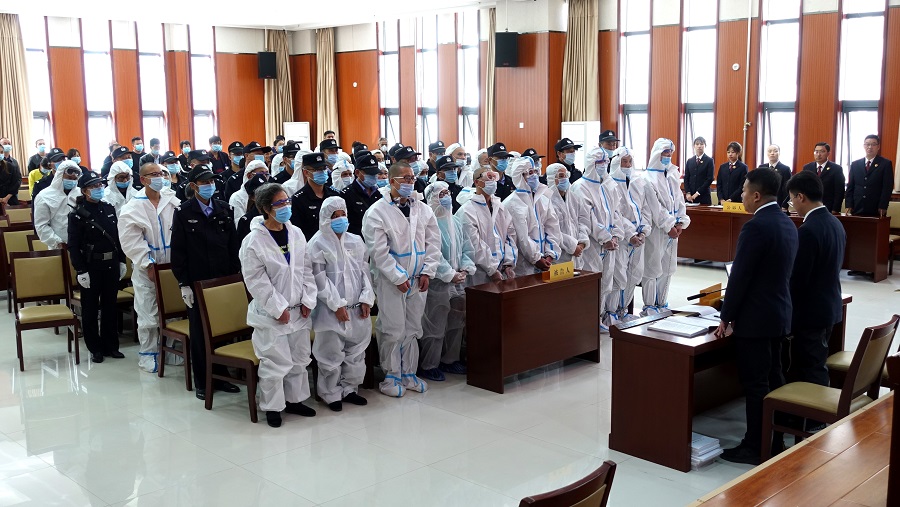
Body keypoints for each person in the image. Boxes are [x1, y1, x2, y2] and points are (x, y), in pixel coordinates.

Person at [716, 168, 798, 465]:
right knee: (774, 377)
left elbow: (740, 277)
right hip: (778, 313)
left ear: (756, 195)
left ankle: (755, 446)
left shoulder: (755, 227)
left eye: (744, 191)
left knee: (756, 384)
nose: (741, 196)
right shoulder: (787, 222)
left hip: (756, 318)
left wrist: (726, 316)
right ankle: (774, 438)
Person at [240, 183, 318, 428]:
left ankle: (295, 400)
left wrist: (308, 299)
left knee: (299, 359)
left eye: (287, 201)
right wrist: (277, 308)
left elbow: (306, 269)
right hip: (271, 314)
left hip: (299, 310)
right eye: (280, 203)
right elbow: (256, 281)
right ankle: (273, 407)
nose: (286, 207)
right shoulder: (253, 241)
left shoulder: (296, 233)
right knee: (275, 362)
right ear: (266, 208)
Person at [362, 161, 442, 397]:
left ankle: (409, 373)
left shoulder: (422, 209)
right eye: (405, 178)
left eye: (412, 178)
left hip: (418, 279)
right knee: (393, 328)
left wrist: (428, 271)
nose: (410, 182)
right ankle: (391, 375)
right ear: (392, 181)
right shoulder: (377, 212)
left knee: (413, 328)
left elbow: (433, 242)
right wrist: (397, 277)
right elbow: (378, 251)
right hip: (391, 281)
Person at [171, 165, 243, 400]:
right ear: (193, 186)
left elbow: (233, 246)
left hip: (222, 279)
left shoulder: (224, 209)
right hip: (197, 281)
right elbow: (178, 252)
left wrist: (233, 278)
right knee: (201, 333)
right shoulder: (183, 212)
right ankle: (203, 380)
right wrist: (183, 283)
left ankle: (221, 376)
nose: (209, 185)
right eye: (204, 182)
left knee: (223, 329)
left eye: (211, 181)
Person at [307, 197, 374, 411]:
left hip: (357, 307)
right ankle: (331, 393)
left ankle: (350, 389)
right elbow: (319, 279)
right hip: (329, 309)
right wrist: (336, 305)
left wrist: (366, 298)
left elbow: (365, 272)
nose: (340, 219)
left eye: (343, 214)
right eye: (334, 216)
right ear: (325, 218)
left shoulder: (355, 241)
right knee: (330, 352)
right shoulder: (317, 244)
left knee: (356, 351)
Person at [118, 163, 181, 373]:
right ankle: (148, 354)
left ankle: (169, 350)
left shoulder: (172, 201)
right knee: (148, 312)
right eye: (154, 174)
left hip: (172, 264)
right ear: (143, 179)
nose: (159, 177)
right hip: (148, 269)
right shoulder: (133, 207)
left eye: (161, 173)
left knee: (173, 309)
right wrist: (148, 263)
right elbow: (131, 241)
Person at [787, 171, 845, 388]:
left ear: (801, 197)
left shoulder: (808, 230)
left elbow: (799, 278)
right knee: (816, 361)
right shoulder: (835, 222)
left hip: (811, 313)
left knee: (812, 367)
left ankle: (817, 411)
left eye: (791, 199)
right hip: (829, 305)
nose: (792, 205)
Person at [417, 182, 475, 382]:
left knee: (456, 321)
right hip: (437, 282)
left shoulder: (456, 221)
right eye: (441, 194)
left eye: (447, 192)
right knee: (435, 324)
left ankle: (450, 359)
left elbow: (467, 247)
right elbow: (432, 253)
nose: (447, 197)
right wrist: (449, 274)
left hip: (458, 280)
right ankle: (429, 364)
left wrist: (465, 268)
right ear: (432, 198)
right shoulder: (428, 223)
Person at [67, 171, 127, 363]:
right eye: (93, 186)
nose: (98, 189)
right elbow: (73, 245)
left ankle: (111, 346)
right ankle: (95, 348)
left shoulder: (108, 208)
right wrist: (80, 270)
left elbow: (117, 238)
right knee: (90, 308)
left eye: (100, 185)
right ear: (84, 191)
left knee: (110, 306)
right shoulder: (77, 215)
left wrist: (122, 261)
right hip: (91, 266)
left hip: (111, 264)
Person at [571, 148, 625, 331]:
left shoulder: (606, 186)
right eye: (600, 163)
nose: (604, 166)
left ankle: (599, 317)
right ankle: (587, 321)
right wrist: (605, 237)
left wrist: (616, 235)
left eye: (606, 162)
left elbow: (616, 212)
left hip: (610, 244)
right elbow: (588, 218)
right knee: (592, 283)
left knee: (606, 282)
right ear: (591, 164)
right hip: (592, 246)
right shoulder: (580, 187)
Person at [641, 138, 690, 314]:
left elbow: (679, 199)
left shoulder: (672, 174)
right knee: (652, 267)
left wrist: (680, 221)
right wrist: (669, 225)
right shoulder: (647, 178)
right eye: (664, 153)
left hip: (673, 230)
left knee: (668, 268)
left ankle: (661, 302)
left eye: (670, 153)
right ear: (656, 154)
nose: (668, 156)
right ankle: (649, 305)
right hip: (657, 229)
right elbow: (655, 207)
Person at [608, 147, 653, 321]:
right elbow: (616, 213)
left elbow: (645, 208)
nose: (627, 165)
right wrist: (630, 234)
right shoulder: (610, 184)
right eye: (623, 162)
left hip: (638, 238)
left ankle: (624, 311)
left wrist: (644, 230)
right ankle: (611, 313)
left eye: (629, 162)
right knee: (618, 275)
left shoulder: (638, 182)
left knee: (635, 274)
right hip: (622, 239)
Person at [456, 166, 518, 285]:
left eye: (494, 177)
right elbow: (475, 244)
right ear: (476, 182)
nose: (493, 181)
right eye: (488, 177)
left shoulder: (500, 207)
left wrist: (508, 263)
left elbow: (510, 235)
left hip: (502, 268)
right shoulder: (467, 211)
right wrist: (492, 269)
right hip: (480, 272)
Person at [503, 157, 562, 276]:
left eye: (535, 171)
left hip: (546, 262)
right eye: (530, 173)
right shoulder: (512, 203)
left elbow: (553, 227)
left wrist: (550, 254)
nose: (534, 175)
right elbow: (522, 237)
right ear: (520, 176)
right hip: (524, 266)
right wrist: (536, 259)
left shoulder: (542, 198)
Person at [544, 163, 589, 268]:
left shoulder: (574, 198)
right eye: (561, 176)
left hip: (577, 255)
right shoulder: (545, 201)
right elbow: (551, 230)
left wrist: (582, 243)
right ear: (551, 179)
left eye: (566, 175)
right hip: (559, 257)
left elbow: (583, 220)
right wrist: (572, 246)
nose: (565, 179)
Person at [289, 153, 341, 240]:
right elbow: (298, 230)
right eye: (317, 169)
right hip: (311, 244)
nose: (322, 172)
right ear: (306, 172)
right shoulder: (299, 199)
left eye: (324, 168)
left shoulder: (335, 194)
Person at [34, 161, 81, 249]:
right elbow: (41, 225)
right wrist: (58, 243)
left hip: (81, 245)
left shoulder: (81, 193)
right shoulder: (44, 196)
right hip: (57, 247)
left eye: (74, 179)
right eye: (69, 178)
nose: (72, 181)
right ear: (60, 175)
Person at [845, 134, 894, 218]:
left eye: (873, 144)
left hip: (876, 207)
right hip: (857, 206)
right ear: (864, 146)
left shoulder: (885, 164)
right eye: (867, 144)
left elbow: (887, 187)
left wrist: (883, 206)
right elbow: (850, 186)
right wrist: (849, 204)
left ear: (878, 147)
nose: (870, 147)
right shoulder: (855, 164)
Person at [341, 153, 382, 237]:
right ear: (357, 173)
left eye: (375, 174)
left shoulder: (378, 193)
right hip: (357, 240)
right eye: (369, 174)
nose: (373, 176)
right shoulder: (347, 195)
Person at [802, 142, 844, 214]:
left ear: (828, 153)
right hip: (810, 206)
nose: (818, 154)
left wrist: (835, 209)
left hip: (828, 207)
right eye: (816, 151)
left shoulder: (836, 169)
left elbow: (839, 191)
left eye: (822, 151)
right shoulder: (807, 167)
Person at [228, 160, 270, 225]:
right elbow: (239, 223)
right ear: (249, 175)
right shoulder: (237, 197)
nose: (264, 177)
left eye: (266, 174)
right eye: (261, 174)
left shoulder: (269, 194)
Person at [236, 173, 270, 244]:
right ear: (252, 197)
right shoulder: (245, 221)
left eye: (267, 192)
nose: (265, 196)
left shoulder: (276, 214)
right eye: (260, 193)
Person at [683, 136, 714, 205]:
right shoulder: (689, 161)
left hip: (704, 196)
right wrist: (688, 193)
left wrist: (697, 193)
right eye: (697, 144)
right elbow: (686, 178)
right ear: (694, 146)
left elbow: (710, 179)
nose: (699, 146)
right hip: (690, 197)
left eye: (701, 144)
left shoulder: (709, 160)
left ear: (705, 145)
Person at [760, 144, 792, 210]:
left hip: (779, 203)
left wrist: (784, 205)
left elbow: (787, 189)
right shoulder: (761, 168)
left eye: (775, 151)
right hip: (763, 202)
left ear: (779, 153)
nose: (772, 153)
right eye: (769, 151)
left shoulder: (785, 169)